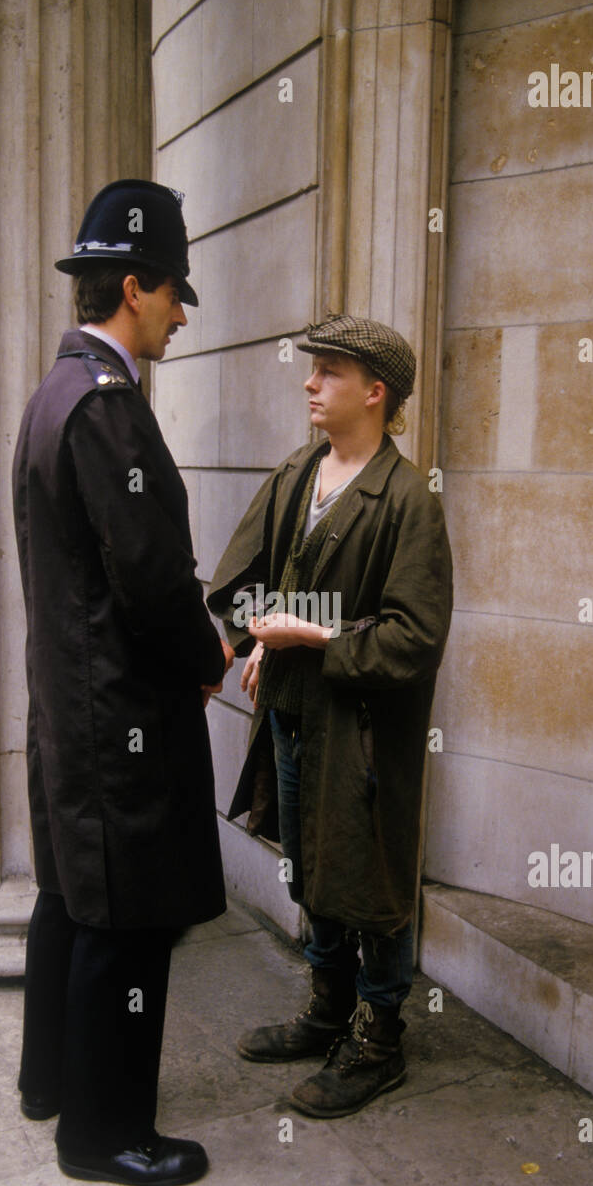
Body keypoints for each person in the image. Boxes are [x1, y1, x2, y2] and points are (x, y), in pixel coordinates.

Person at [12, 179, 233, 1186]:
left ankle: (52, 1079)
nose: (183, 313)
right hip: (118, 716)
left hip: (72, 705)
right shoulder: (105, 407)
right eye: (176, 292)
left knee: (69, 896)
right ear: (134, 286)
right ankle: (103, 1136)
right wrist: (209, 656)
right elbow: (148, 576)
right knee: (128, 926)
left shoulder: (54, 392)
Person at [206, 315, 452, 1118]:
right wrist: (259, 640)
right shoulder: (297, 473)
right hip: (291, 713)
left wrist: (311, 634)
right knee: (310, 860)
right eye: (313, 371)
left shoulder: (408, 500)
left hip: (364, 730)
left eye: (330, 372)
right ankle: (326, 1010)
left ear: (375, 392)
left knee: (371, 873)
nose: (310, 383)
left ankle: (379, 1038)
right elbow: (237, 581)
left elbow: (414, 637)